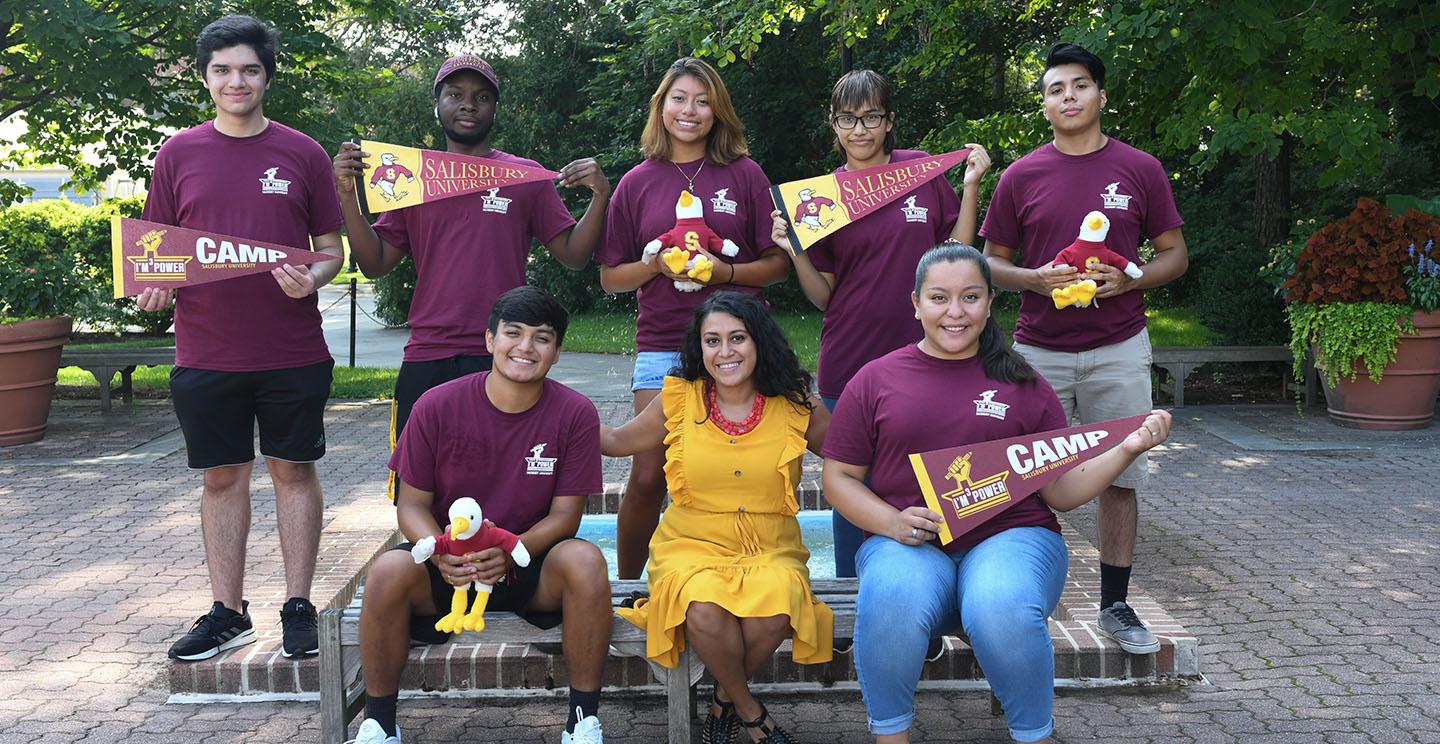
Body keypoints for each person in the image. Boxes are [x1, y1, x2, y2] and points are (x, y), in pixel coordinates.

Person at [822, 243, 1172, 743]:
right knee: (893, 596)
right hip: (910, 539)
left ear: (989, 303)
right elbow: (839, 478)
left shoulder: (1022, 382)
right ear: (916, 302)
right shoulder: (875, 379)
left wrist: (1126, 450)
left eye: (970, 297)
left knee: (999, 604)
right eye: (939, 298)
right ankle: (891, 736)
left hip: (1013, 536)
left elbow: (1060, 492)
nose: (955, 312)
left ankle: (1034, 733)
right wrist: (891, 523)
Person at [135, 15, 345, 662]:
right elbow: (152, 254)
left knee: (293, 470)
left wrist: (312, 278)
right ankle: (229, 613)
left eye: (249, 69)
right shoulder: (178, 154)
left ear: (266, 77)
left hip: (292, 350)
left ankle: (299, 606)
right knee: (221, 479)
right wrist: (154, 285)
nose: (237, 81)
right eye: (223, 70)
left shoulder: (304, 153)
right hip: (206, 351)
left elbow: (332, 251)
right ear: (205, 78)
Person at [979, 43, 1188, 654]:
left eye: (1078, 86)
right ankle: (1003, 599)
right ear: (1044, 103)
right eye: (1054, 89)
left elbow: (1174, 255)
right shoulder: (1021, 175)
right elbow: (991, 266)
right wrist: (1035, 279)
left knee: (1123, 476)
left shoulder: (1140, 169)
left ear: (1100, 95)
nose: (1066, 97)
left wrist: (1132, 277)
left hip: (1120, 346)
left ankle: (1116, 606)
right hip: (1036, 351)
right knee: (1016, 474)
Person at [348, 286, 610, 744]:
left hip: (529, 562)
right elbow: (409, 504)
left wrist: (515, 551)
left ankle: (582, 722)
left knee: (586, 562)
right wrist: (437, 554)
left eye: (542, 338)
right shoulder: (436, 405)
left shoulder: (575, 413)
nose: (525, 347)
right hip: (448, 566)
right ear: (489, 340)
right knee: (387, 570)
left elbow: (567, 515)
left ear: (558, 351)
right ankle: (380, 725)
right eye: (513, 333)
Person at [769, 68, 992, 585]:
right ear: (833, 124)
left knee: (932, 477)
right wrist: (794, 249)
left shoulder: (921, 172)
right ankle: (853, 598)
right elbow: (824, 295)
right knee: (853, 482)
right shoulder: (819, 198)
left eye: (871, 116)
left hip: (932, 356)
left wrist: (971, 186)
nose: (860, 129)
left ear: (889, 121)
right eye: (847, 118)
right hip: (851, 359)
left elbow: (956, 257)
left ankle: (932, 600)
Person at [333, 53, 611, 447]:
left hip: (503, 350)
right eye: (455, 94)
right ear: (437, 104)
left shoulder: (522, 176)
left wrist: (600, 195)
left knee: (501, 480)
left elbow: (573, 254)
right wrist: (348, 196)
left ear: (495, 109)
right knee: (418, 484)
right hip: (428, 352)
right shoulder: (413, 177)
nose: (468, 104)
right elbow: (374, 263)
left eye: (482, 97)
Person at [603, 291, 831, 744]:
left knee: (777, 604)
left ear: (759, 342)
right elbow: (614, 441)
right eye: (712, 341)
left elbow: (848, 455)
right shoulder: (678, 398)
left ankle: (723, 704)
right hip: (691, 545)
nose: (725, 352)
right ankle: (750, 713)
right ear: (699, 347)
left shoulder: (795, 401)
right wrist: (545, 404)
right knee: (703, 606)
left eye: (737, 338)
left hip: (770, 546)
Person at [597, 57, 790, 579]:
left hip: (742, 341)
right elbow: (610, 277)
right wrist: (654, 265)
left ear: (717, 112)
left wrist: (724, 273)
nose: (690, 111)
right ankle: (629, 588)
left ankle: (751, 573)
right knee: (647, 478)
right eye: (679, 99)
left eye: (703, 101)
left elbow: (778, 264)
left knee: (747, 473)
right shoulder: (636, 183)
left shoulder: (746, 175)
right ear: (661, 107)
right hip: (664, 343)